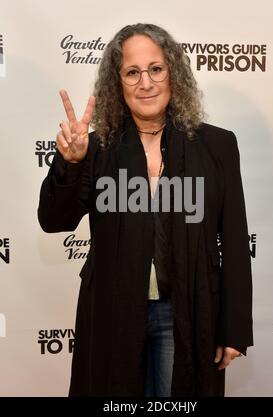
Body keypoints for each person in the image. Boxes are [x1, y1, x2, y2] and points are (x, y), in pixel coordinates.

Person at [38, 23, 253, 397]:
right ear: (117, 84)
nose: (146, 83)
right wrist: (70, 164)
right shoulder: (96, 149)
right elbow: (54, 220)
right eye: (132, 72)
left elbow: (234, 241)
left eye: (156, 69)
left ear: (173, 73)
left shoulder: (217, 145)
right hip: (114, 313)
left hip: (186, 313)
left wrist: (233, 329)